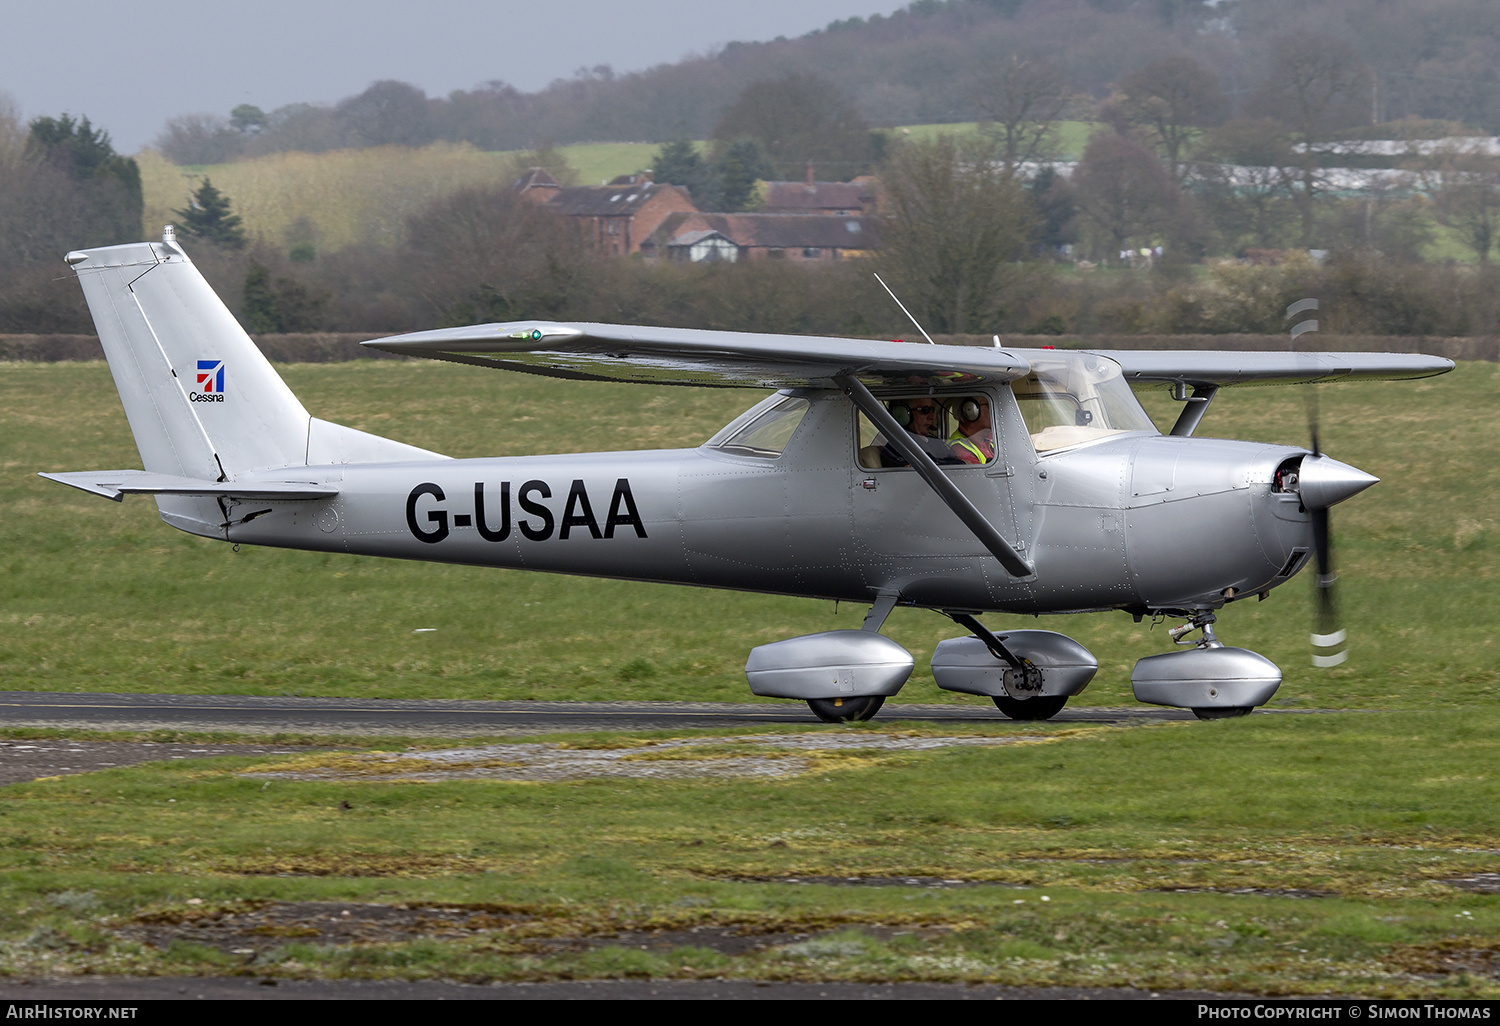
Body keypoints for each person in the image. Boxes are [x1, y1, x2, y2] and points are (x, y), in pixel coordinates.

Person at [881, 400, 960, 466]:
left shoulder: (934, 442)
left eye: (932, 409)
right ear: (903, 414)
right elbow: (926, 465)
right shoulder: (895, 446)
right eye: (925, 410)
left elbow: (956, 461)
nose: (932, 416)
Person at [948, 394, 994, 465]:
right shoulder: (959, 449)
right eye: (989, 405)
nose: (994, 410)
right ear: (971, 410)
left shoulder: (989, 441)